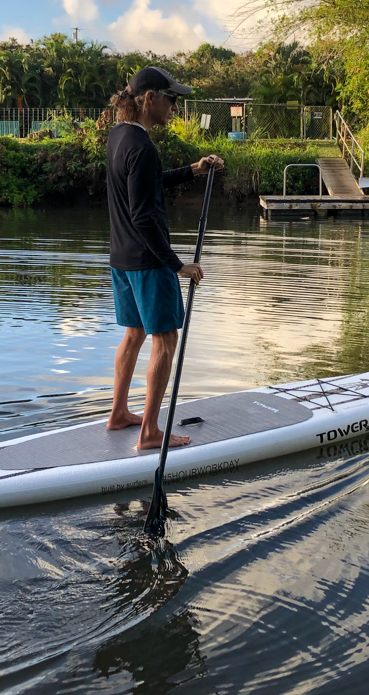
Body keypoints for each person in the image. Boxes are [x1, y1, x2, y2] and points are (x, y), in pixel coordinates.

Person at [105, 66, 224, 450]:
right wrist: (177, 265)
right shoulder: (141, 146)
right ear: (150, 99)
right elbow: (143, 216)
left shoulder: (120, 137)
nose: (176, 106)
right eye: (172, 99)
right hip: (148, 261)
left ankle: (119, 413)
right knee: (165, 340)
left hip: (121, 259)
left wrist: (192, 170)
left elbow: (146, 183)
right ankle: (150, 433)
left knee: (134, 333)